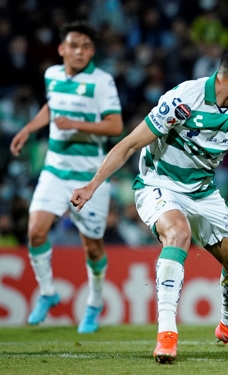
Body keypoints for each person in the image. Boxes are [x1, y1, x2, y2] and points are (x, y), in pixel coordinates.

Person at [70, 41, 228, 363]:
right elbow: (130, 143)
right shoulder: (183, 99)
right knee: (178, 234)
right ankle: (167, 333)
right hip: (158, 185)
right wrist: (93, 185)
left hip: (203, 191)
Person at [9, 21, 123, 333]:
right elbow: (52, 106)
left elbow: (115, 126)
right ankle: (48, 292)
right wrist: (29, 128)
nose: (79, 51)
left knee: (93, 248)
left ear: (92, 51)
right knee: (35, 232)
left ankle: (94, 303)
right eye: (73, 45)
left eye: (86, 46)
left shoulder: (102, 82)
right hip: (55, 171)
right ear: (62, 49)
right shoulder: (52, 75)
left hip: (90, 177)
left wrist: (77, 124)